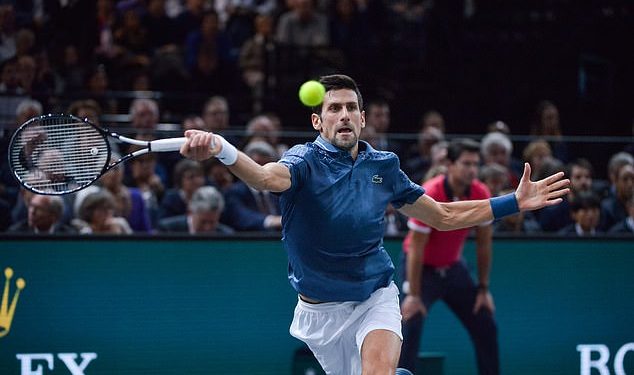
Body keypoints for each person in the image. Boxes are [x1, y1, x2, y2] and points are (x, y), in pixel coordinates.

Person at [179, 74, 569, 375]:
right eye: (334, 108)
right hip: (320, 313)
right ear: (318, 120)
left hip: (374, 295)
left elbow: (444, 216)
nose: (344, 115)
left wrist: (514, 201)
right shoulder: (302, 162)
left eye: (351, 108)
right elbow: (264, 178)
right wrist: (221, 148)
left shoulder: (385, 166)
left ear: (363, 119)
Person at [399, 139, 499, 374]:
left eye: (476, 164)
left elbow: (484, 244)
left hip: (454, 269)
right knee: (410, 321)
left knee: (484, 320)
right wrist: (413, 295)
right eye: (466, 163)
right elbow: (416, 247)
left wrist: (483, 290)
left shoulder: (480, 192)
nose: (472, 170)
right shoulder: (431, 192)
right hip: (420, 269)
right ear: (450, 165)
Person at [158, 186, 234, 234]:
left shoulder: (226, 235)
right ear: (190, 212)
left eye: (212, 222)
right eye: (203, 222)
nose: (207, 228)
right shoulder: (168, 231)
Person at [8, 194, 76, 234]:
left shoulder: (68, 235)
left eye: (39, 208)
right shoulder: (16, 233)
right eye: (31, 206)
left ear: (54, 216)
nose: (32, 212)